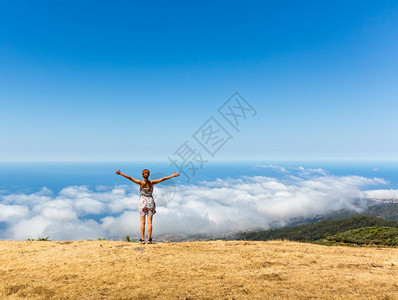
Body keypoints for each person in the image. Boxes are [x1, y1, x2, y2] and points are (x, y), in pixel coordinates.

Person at [115, 169, 179, 244]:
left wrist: (121, 173)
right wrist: (172, 175)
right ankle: (149, 240)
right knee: (150, 222)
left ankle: (142, 240)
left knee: (142, 222)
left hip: (142, 202)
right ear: (148, 175)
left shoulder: (140, 183)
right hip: (150, 202)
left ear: (142, 175)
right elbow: (163, 179)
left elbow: (130, 178)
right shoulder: (152, 182)